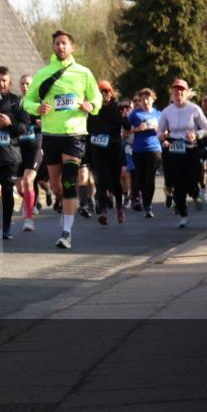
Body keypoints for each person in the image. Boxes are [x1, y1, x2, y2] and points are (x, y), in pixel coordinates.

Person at [22, 30, 101, 249]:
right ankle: (64, 209)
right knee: (57, 186)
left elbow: (97, 98)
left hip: (74, 134)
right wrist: (37, 107)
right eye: (57, 43)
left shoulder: (83, 73)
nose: (61, 47)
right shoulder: (43, 73)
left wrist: (91, 106)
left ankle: (67, 232)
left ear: (72, 47)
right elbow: (27, 101)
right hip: (51, 135)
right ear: (53, 47)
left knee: (68, 181)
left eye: (64, 43)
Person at [158, 79, 207, 227]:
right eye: (176, 90)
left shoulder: (194, 109)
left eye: (182, 90)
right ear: (172, 93)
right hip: (173, 147)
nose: (179, 93)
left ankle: (195, 194)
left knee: (191, 179)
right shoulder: (167, 111)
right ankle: (183, 214)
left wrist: (196, 135)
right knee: (177, 183)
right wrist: (162, 138)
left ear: (187, 93)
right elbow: (160, 131)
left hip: (190, 148)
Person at [0, 66, 30, 239]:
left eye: (4, 80)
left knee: (7, 191)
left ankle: (6, 227)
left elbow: (25, 127)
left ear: (10, 82)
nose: (1, 84)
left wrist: (9, 124)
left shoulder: (17, 102)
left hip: (10, 156)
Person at [87, 80, 126, 225]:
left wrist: (124, 117)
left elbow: (127, 126)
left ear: (111, 92)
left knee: (115, 182)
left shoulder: (118, 107)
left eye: (106, 91)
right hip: (98, 149)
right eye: (101, 92)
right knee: (101, 180)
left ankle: (119, 208)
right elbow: (88, 130)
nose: (104, 94)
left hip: (114, 148)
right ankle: (103, 211)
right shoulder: (94, 108)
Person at [126, 88, 162, 218]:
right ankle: (145, 202)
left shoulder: (159, 114)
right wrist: (137, 129)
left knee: (150, 178)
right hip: (138, 150)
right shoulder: (134, 114)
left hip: (154, 149)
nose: (145, 102)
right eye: (143, 99)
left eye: (148, 99)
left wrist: (158, 129)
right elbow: (125, 132)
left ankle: (148, 205)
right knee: (141, 179)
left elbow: (166, 131)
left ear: (153, 99)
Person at [15, 73, 43, 231]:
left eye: (28, 84)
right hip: (19, 148)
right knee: (20, 187)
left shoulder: (39, 103)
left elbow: (49, 121)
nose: (25, 87)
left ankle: (29, 219)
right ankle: (31, 200)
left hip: (35, 146)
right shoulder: (17, 103)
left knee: (28, 180)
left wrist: (42, 122)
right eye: (22, 84)